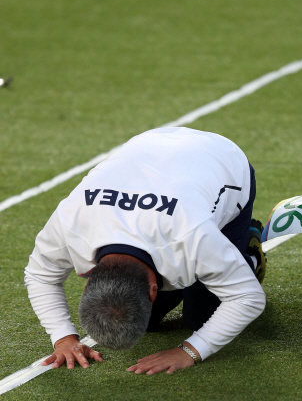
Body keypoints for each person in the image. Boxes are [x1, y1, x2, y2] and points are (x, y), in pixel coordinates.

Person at [24, 127, 267, 375]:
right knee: (145, 321)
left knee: (201, 319)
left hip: (222, 160)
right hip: (153, 150)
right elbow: (39, 275)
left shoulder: (193, 236)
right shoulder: (70, 221)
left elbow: (248, 298)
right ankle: (202, 273)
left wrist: (190, 350)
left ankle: (247, 252)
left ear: (153, 291)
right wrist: (63, 337)